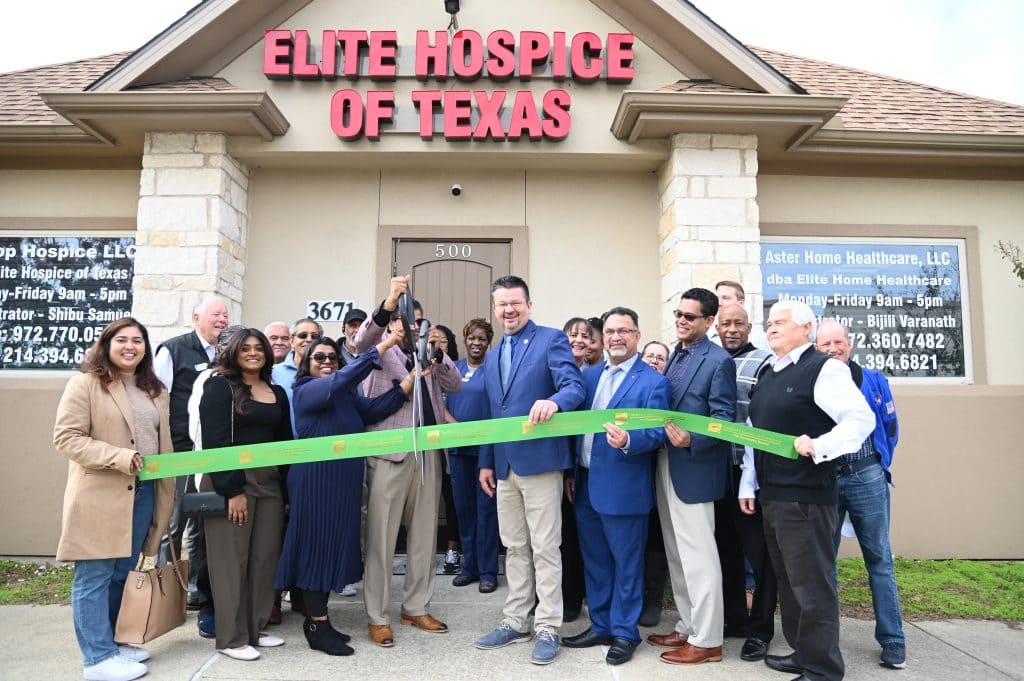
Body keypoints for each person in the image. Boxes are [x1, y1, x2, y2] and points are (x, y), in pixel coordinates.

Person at [739, 300, 874, 681]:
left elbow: (861, 419)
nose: (772, 328)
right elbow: (756, 436)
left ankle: (822, 669)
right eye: (769, 323)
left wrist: (820, 445)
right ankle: (803, 653)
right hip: (773, 496)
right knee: (789, 582)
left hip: (806, 497)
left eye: (780, 322)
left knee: (812, 586)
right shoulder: (769, 372)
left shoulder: (824, 369)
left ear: (807, 328)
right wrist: (748, 483)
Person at [276, 334, 416, 656]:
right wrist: (379, 348)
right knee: (315, 549)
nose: (327, 362)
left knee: (331, 548)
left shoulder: (346, 396)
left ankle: (322, 621)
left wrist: (410, 380)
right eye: (319, 358)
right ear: (306, 365)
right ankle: (315, 624)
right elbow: (344, 378)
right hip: (316, 482)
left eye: (332, 358)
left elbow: (375, 410)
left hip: (343, 485)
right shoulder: (307, 390)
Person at [54, 317, 175, 681]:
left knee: (122, 573)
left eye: (138, 340)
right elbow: (67, 438)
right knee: (94, 576)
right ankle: (96, 658)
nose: (130, 346)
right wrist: (119, 457)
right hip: (100, 494)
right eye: (121, 340)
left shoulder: (154, 389)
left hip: (142, 493)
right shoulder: (85, 384)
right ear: (106, 345)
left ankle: (114, 644)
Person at [476, 275, 585, 666]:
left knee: (545, 548)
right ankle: (515, 620)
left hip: (541, 462)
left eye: (515, 303)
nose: (509, 310)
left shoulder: (551, 339)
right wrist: (487, 461)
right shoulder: (492, 353)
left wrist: (554, 402)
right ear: (495, 308)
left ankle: (548, 626)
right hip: (504, 466)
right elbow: (494, 413)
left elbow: (574, 387)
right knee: (515, 547)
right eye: (502, 304)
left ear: (529, 306)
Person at [355, 276, 461, 648]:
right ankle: (377, 616)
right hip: (389, 453)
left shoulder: (427, 352)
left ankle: (416, 607)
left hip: (428, 453)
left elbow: (455, 384)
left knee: (423, 538)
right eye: (401, 320)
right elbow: (361, 342)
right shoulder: (379, 351)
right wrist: (389, 302)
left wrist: (438, 353)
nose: (408, 327)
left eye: (413, 322)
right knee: (381, 539)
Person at [563, 307, 670, 666]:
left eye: (624, 331)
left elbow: (658, 432)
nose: (616, 337)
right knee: (595, 562)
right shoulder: (590, 376)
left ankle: (625, 632)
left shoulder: (653, 381)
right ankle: (602, 624)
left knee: (626, 564)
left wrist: (628, 440)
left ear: (637, 336)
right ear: (601, 338)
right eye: (610, 331)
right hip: (586, 484)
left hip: (624, 487)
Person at [648, 287, 736, 666]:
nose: (681, 321)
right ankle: (687, 625)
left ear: (709, 321)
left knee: (699, 557)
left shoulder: (718, 361)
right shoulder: (675, 356)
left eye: (690, 316)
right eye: (679, 314)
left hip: (695, 467)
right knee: (677, 554)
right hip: (666, 464)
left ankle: (708, 639)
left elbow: (724, 420)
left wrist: (692, 439)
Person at [816, 319, 906, 670]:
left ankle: (893, 640)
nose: (833, 349)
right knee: (825, 563)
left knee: (879, 559)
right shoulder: (814, 381)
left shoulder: (874, 379)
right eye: (825, 344)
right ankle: (826, 642)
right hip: (826, 479)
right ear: (816, 347)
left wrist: (878, 465)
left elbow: (890, 428)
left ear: (849, 344)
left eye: (838, 342)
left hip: (866, 475)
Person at [199, 328, 292, 661]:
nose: (253, 353)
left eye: (259, 348)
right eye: (246, 348)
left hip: (269, 485)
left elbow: (285, 444)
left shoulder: (277, 392)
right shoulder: (219, 387)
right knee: (230, 563)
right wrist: (232, 491)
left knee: (264, 560)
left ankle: (254, 629)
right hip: (232, 484)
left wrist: (285, 491)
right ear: (233, 353)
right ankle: (231, 638)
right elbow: (216, 441)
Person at [153, 294, 229, 637]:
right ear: (197, 316)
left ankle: (196, 590)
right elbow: (156, 399)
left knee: (202, 525)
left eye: (225, 316)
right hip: (180, 452)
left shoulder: (224, 353)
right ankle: (166, 594)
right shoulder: (174, 349)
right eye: (216, 314)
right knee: (173, 526)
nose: (222, 320)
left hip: (210, 455)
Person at [713, 304, 777, 662]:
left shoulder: (764, 363)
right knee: (725, 552)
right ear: (716, 327)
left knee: (760, 556)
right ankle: (734, 620)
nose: (732, 329)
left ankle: (760, 630)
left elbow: (761, 421)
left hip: (747, 472)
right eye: (726, 324)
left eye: (738, 323)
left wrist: (750, 480)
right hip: (714, 471)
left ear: (749, 326)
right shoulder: (710, 360)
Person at [445, 319, 500, 593]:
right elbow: (437, 402)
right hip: (458, 449)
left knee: (486, 511)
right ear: (465, 340)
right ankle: (469, 567)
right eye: (471, 338)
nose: (476, 343)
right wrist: (456, 429)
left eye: (482, 338)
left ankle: (489, 571)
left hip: (485, 451)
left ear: (488, 342)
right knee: (464, 510)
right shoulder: (453, 369)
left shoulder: (495, 370)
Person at [559, 316, 591, 621]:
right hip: (557, 464)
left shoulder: (594, 376)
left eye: (584, 335)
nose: (578, 340)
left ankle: (574, 596)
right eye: (572, 334)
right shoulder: (553, 373)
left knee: (577, 537)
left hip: (582, 467)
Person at [638, 338, 670, 628]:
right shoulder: (634, 386)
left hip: (663, 471)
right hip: (635, 470)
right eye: (650, 355)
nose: (654, 361)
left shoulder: (669, 390)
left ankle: (654, 600)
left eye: (661, 358)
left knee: (657, 538)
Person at [432, 324, 463, 574]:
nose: (438, 344)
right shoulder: (424, 367)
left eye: (443, 341)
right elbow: (437, 408)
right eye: (434, 340)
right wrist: (457, 427)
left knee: (453, 500)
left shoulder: (456, 369)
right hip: (433, 445)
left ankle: (453, 549)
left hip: (456, 448)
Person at [271, 318, 324, 436]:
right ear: (291, 340)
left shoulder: (327, 372)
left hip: (322, 446)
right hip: (286, 447)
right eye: (303, 335)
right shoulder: (273, 373)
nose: (309, 339)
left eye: (314, 336)